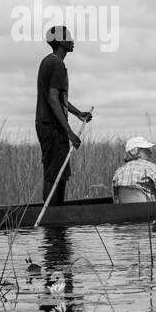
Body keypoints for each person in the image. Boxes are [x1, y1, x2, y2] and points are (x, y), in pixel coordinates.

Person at [36, 25, 93, 206]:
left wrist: (77, 114)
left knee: (60, 172)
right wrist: (69, 132)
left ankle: (57, 217)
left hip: (48, 124)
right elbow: (53, 100)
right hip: (52, 126)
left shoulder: (48, 62)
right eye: (68, 37)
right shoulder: (56, 64)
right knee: (54, 173)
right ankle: (52, 220)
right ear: (61, 42)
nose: (72, 40)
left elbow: (58, 99)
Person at [112, 136, 156, 202]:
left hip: (124, 211)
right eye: (146, 150)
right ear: (137, 152)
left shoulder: (118, 172)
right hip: (150, 211)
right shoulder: (152, 168)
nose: (150, 152)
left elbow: (116, 201)